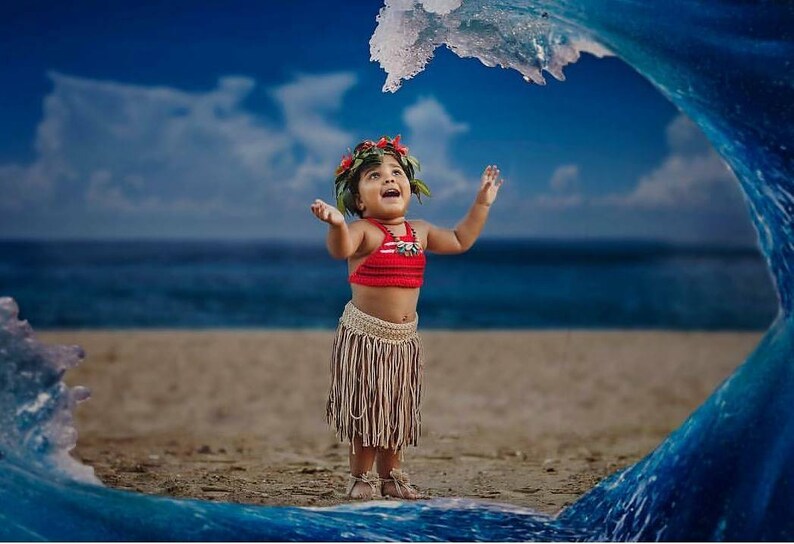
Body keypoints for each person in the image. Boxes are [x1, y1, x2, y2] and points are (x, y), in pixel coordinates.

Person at [309, 135, 503, 500]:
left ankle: (392, 476)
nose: (389, 179)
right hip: (366, 339)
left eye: (396, 172)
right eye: (375, 176)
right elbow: (341, 250)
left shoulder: (423, 231)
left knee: (396, 411)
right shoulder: (362, 231)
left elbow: (461, 240)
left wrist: (481, 203)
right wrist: (335, 224)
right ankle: (361, 476)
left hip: (403, 343)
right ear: (357, 200)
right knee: (366, 411)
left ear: (410, 187)